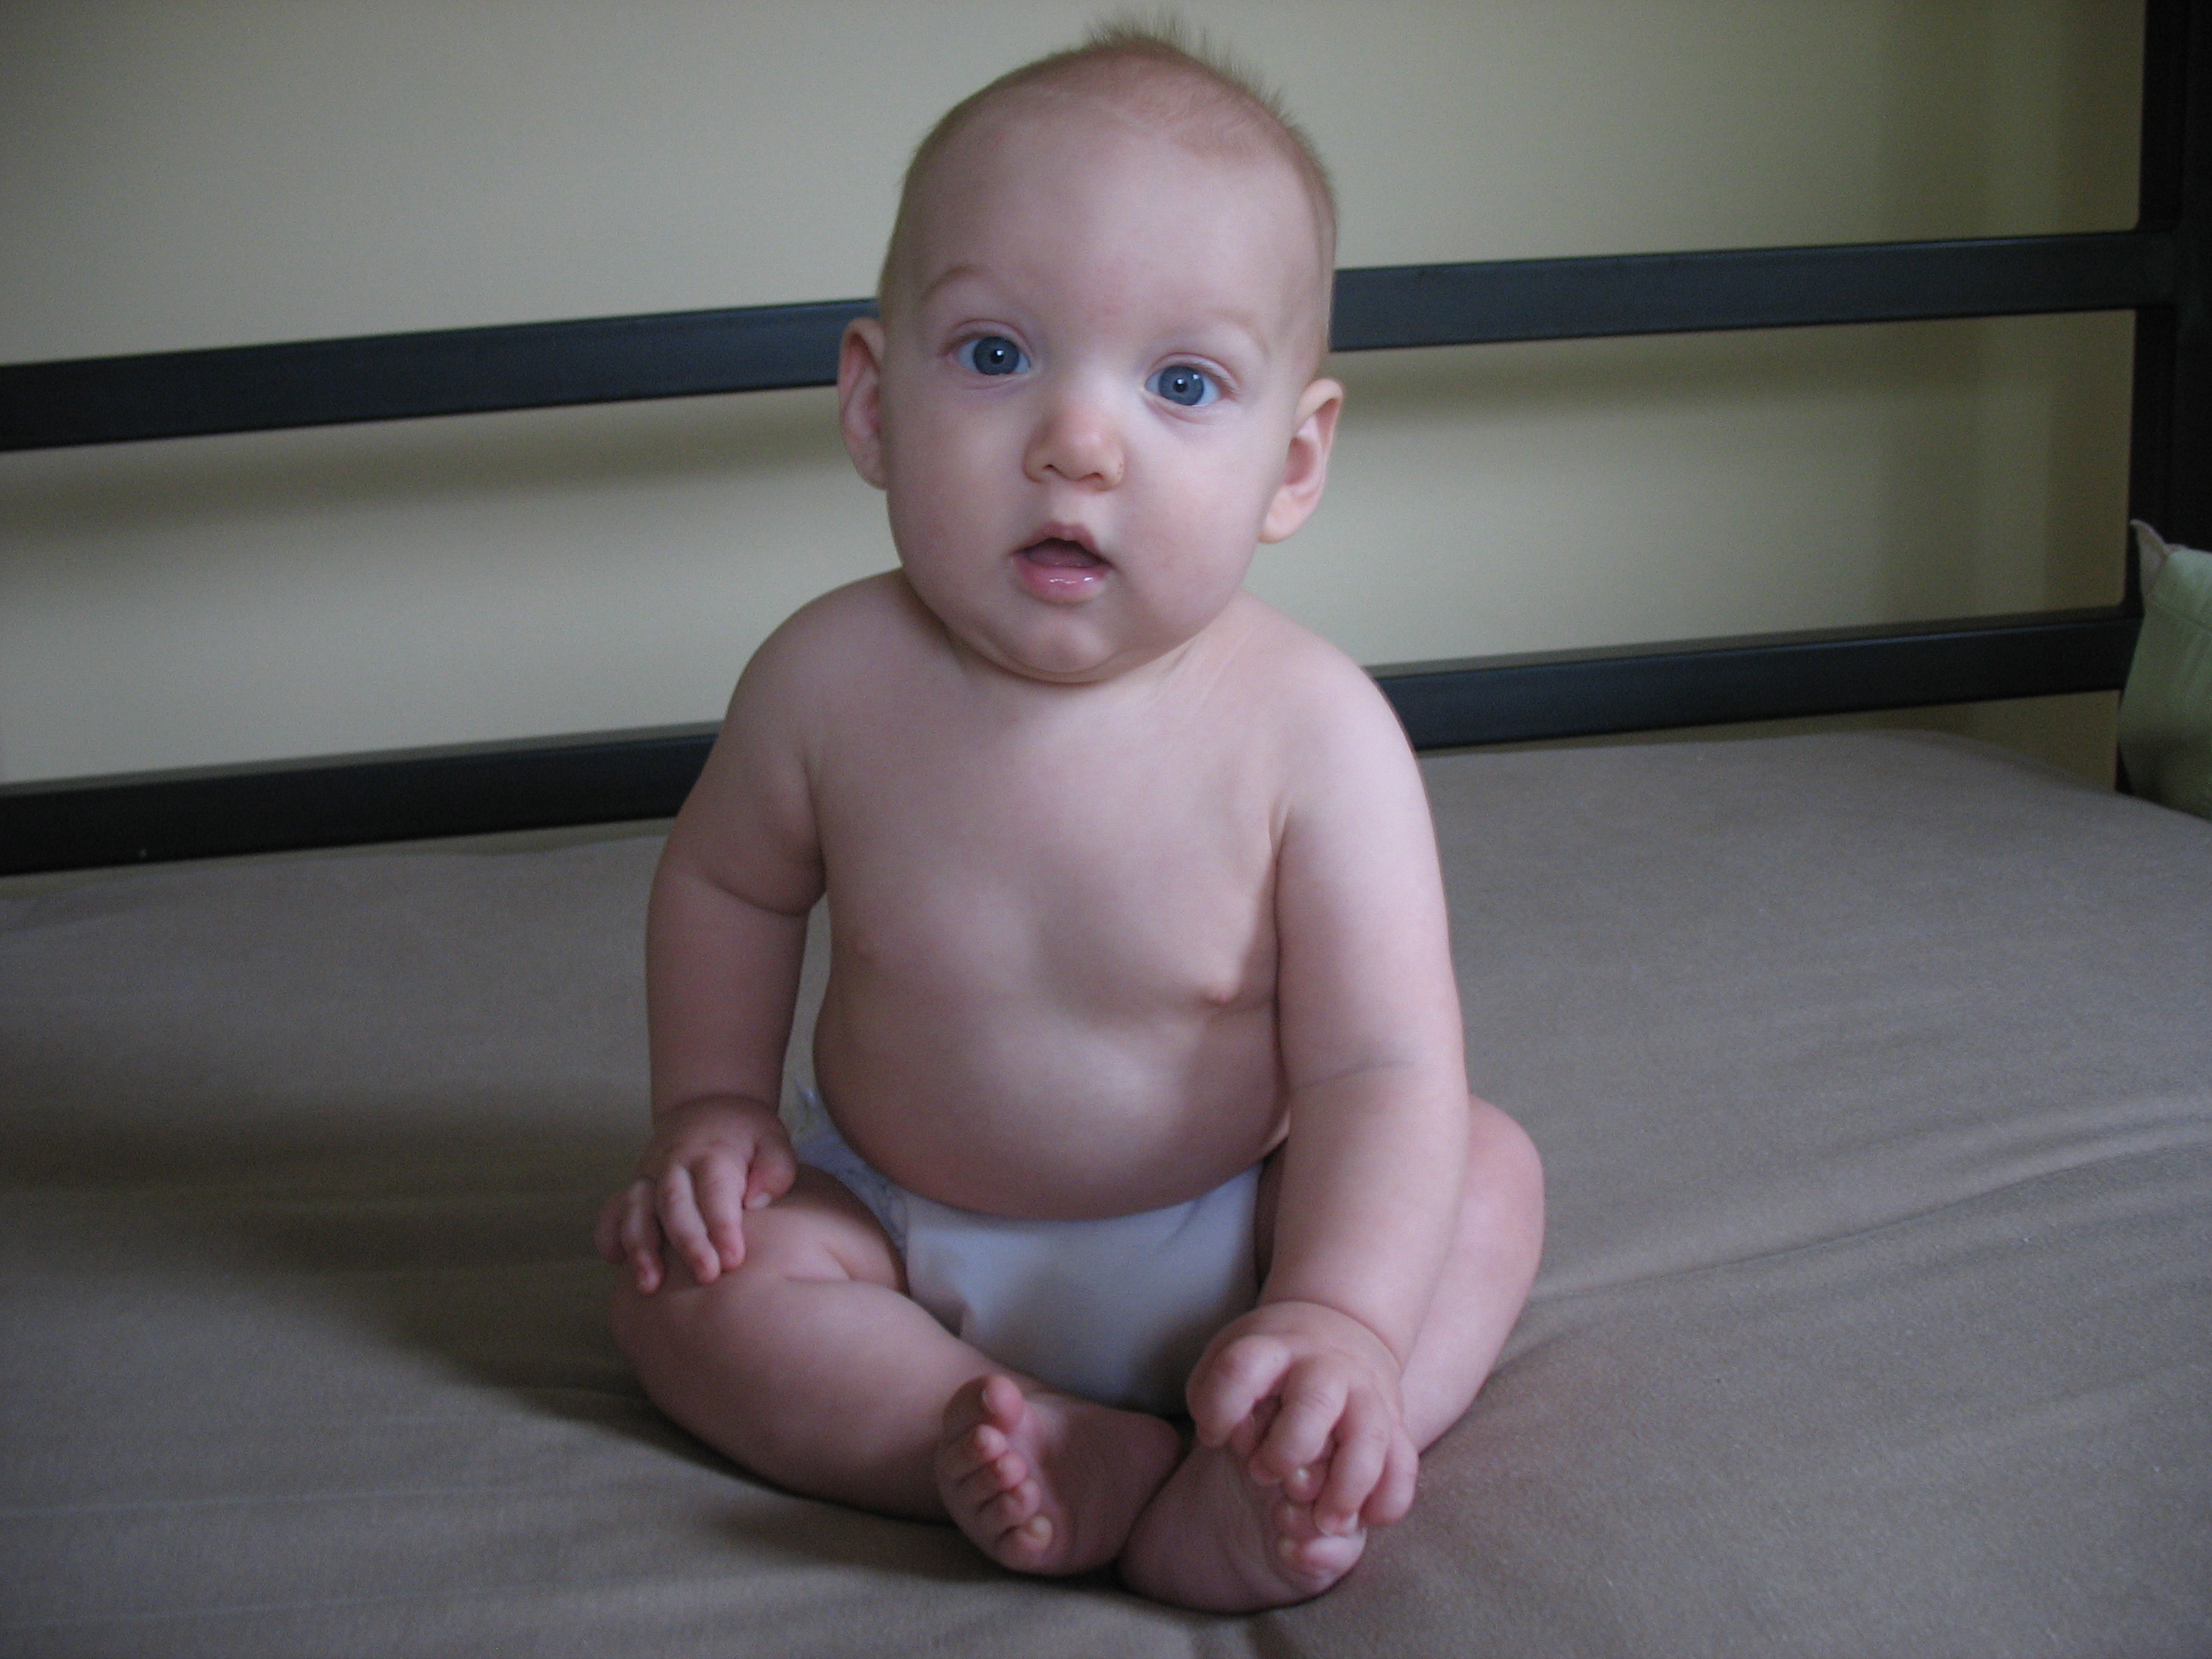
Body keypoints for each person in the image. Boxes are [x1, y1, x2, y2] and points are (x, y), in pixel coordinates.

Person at [595, 22, 1544, 1614]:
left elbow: (1379, 1068)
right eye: (995, 355)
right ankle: (990, 1439)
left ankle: (1296, 1434)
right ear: (873, 404)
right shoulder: (826, 679)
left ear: (1293, 460)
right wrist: (710, 1108)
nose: (1078, 445)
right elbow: (728, 890)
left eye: (1183, 383)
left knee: (1485, 1176)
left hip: (1235, 1237)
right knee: (674, 1284)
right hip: (896, 1228)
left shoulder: (1318, 737)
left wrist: (1338, 1310)